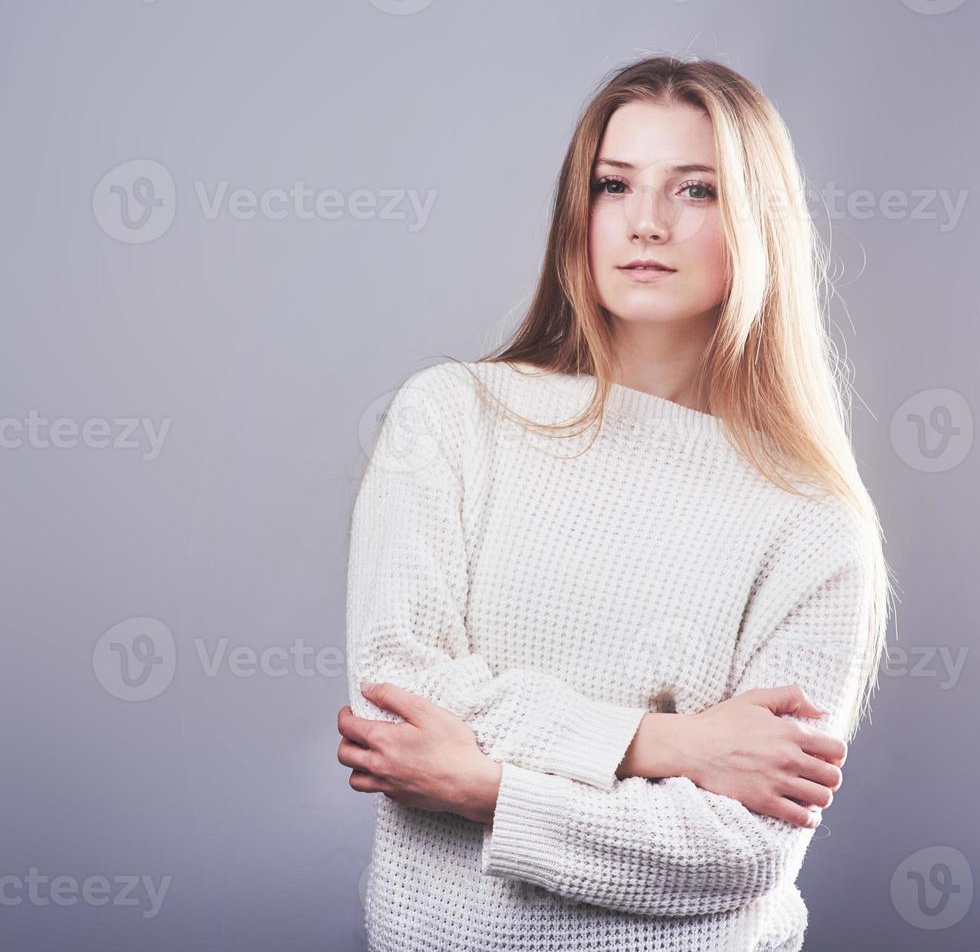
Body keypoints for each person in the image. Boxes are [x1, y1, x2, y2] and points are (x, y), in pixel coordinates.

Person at [336, 54, 893, 952]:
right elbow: (401, 694)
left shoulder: (814, 522)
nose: (646, 222)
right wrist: (670, 746)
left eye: (697, 190)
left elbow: (743, 847)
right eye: (613, 184)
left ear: (761, 222)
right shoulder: (452, 419)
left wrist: (489, 791)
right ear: (578, 212)